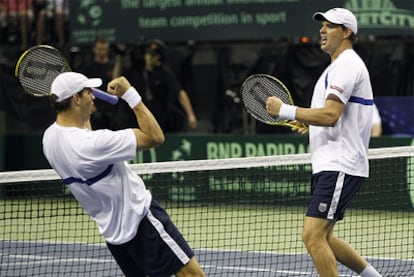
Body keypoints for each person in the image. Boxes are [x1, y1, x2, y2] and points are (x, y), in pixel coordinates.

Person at [42, 72, 205, 277]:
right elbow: (155, 136)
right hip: (141, 221)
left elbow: (82, 135)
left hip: (114, 236)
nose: (93, 96)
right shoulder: (96, 145)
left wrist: (85, 113)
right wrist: (130, 94)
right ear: (76, 99)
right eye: (88, 92)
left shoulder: (49, 139)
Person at [265, 8, 382, 277]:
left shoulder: (346, 65)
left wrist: (285, 110)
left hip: (340, 164)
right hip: (331, 163)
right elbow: (332, 117)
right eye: (323, 25)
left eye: (330, 26)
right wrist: (307, 122)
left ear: (347, 32)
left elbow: (331, 115)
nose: (322, 30)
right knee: (325, 237)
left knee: (312, 235)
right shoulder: (338, 67)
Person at [124, 39, 197, 132]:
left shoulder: (164, 72)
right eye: (148, 54)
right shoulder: (137, 68)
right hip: (136, 114)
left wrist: (190, 114)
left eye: (154, 55)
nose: (150, 58)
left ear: (159, 57)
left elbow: (180, 93)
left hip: (158, 116)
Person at [77, 36, 123, 130]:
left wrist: (119, 58)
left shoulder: (113, 66)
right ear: (94, 49)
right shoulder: (87, 68)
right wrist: (93, 110)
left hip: (112, 112)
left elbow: (116, 82)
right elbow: (83, 90)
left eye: (105, 49)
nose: (103, 52)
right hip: (94, 113)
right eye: (100, 49)